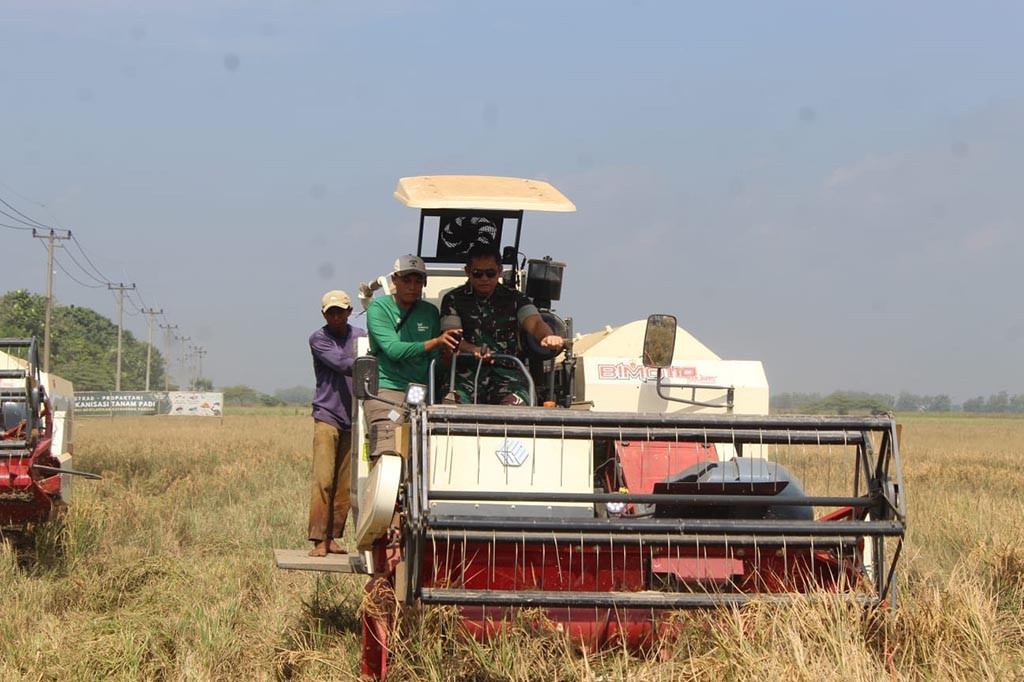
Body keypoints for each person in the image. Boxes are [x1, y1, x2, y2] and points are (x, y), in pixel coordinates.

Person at [440, 243, 564, 405]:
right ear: (467, 272)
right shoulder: (453, 299)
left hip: (509, 377)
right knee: (450, 407)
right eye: (478, 273)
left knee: (517, 408)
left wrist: (547, 336)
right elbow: (452, 337)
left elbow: (535, 323)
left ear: (499, 271)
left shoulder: (515, 299)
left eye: (490, 273)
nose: (484, 278)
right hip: (465, 377)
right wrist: (473, 350)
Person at [364, 254, 461, 458]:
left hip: (420, 392)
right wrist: (436, 342)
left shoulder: (430, 312)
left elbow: (434, 361)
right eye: (407, 280)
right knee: (387, 449)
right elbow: (393, 350)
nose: (412, 286)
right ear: (395, 280)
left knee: (433, 452)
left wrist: (447, 356)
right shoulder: (379, 308)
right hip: (387, 390)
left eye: (418, 281)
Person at [308, 289, 365, 557]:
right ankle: (318, 538)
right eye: (331, 312)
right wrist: (372, 362)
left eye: (340, 311)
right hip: (327, 416)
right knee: (323, 479)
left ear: (349, 312)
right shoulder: (319, 339)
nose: (336, 316)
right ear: (324, 314)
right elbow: (342, 363)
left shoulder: (361, 337)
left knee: (344, 484)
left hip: (354, 417)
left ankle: (333, 537)